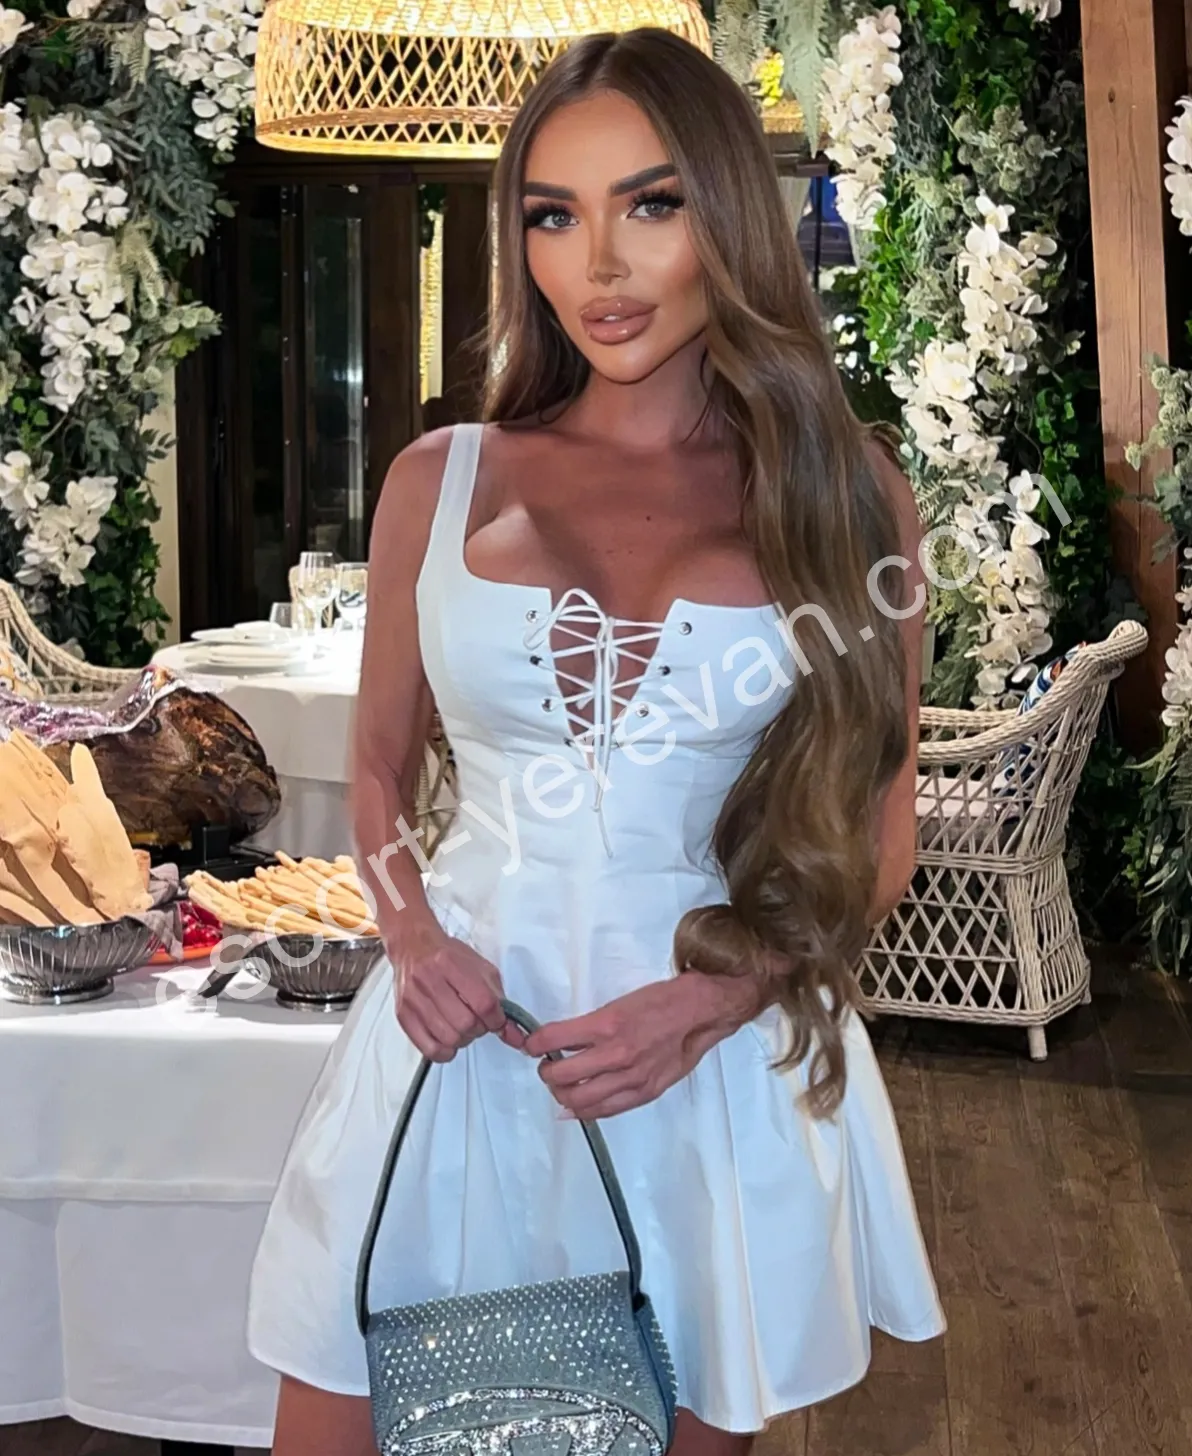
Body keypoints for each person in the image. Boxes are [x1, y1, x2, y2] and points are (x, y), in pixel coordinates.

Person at [247, 27, 944, 1456]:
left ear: (727, 213)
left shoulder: (850, 494)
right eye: (553, 216)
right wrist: (413, 937)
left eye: (651, 204)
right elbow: (375, 773)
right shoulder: (440, 480)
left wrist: (722, 999)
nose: (600, 267)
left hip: (701, 1060)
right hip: (456, 1045)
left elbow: (881, 831)